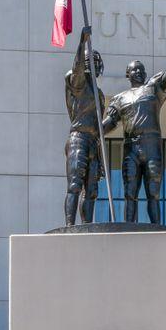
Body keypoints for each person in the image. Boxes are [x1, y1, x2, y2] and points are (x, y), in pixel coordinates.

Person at [101, 18, 166, 223]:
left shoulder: (154, 88)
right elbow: (107, 125)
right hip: (131, 148)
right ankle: (128, 230)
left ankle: (156, 229)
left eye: (142, 69)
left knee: (153, 193)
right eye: (135, 69)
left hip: (151, 145)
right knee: (130, 193)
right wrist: (92, 129)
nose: (139, 72)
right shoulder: (120, 98)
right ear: (128, 74)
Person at [63, 27, 107, 226]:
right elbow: (77, 67)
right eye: (92, 61)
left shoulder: (99, 94)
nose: (96, 65)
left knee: (91, 191)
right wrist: (82, 42)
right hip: (78, 139)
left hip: (93, 142)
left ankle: (87, 225)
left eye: (97, 62)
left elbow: (100, 126)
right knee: (74, 185)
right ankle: (70, 226)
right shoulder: (78, 84)